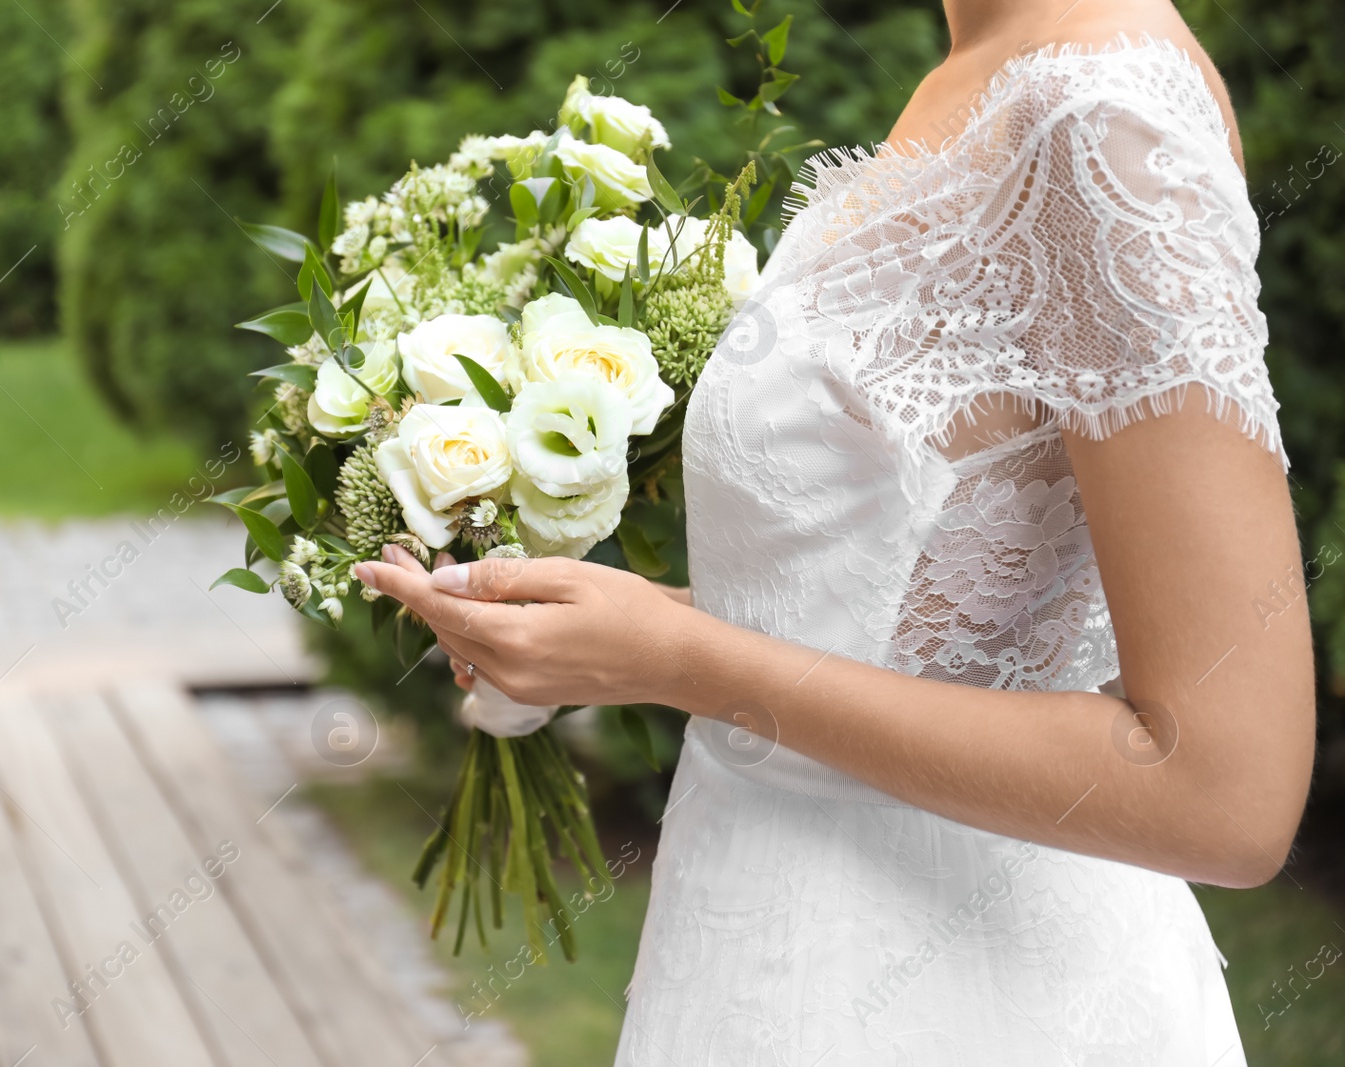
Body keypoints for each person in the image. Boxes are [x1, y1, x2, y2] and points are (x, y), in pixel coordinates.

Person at [352, 0, 1314, 1061]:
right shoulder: (986, 54)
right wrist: (608, 640)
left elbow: (1224, 789)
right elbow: (925, 629)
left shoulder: (1102, 115)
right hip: (759, 934)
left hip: (950, 995)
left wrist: (686, 658)